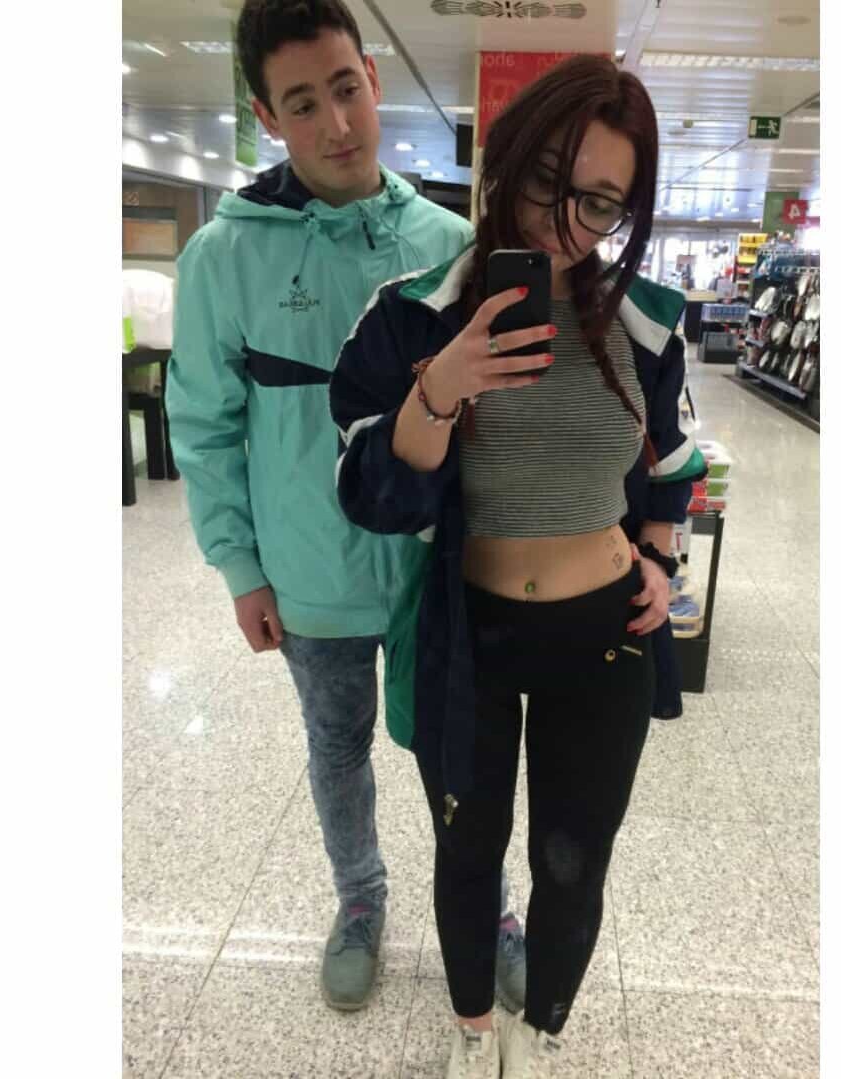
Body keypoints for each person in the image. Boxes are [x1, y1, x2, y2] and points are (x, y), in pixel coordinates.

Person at [330, 55, 705, 1077]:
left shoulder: (648, 321)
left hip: (606, 635)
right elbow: (369, 493)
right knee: (468, 847)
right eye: (548, 180)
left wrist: (659, 554)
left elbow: (674, 463)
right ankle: (471, 1031)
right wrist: (440, 388)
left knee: (573, 861)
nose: (565, 222)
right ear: (506, 159)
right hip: (471, 635)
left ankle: (541, 1031)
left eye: (601, 203)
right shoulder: (415, 315)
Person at [165, 0, 526, 1014]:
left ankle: (491, 906)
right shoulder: (224, 259)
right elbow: (204, 427)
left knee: (465, 750)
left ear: (371, 77)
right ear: (265, 115)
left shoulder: (451, 242)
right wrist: (241, 569)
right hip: (308, 574)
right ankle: (360, 898)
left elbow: (497, 424)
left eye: (344, 89)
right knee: (336, 748)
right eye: (300, 103)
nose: (335, 125)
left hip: (432, 571)